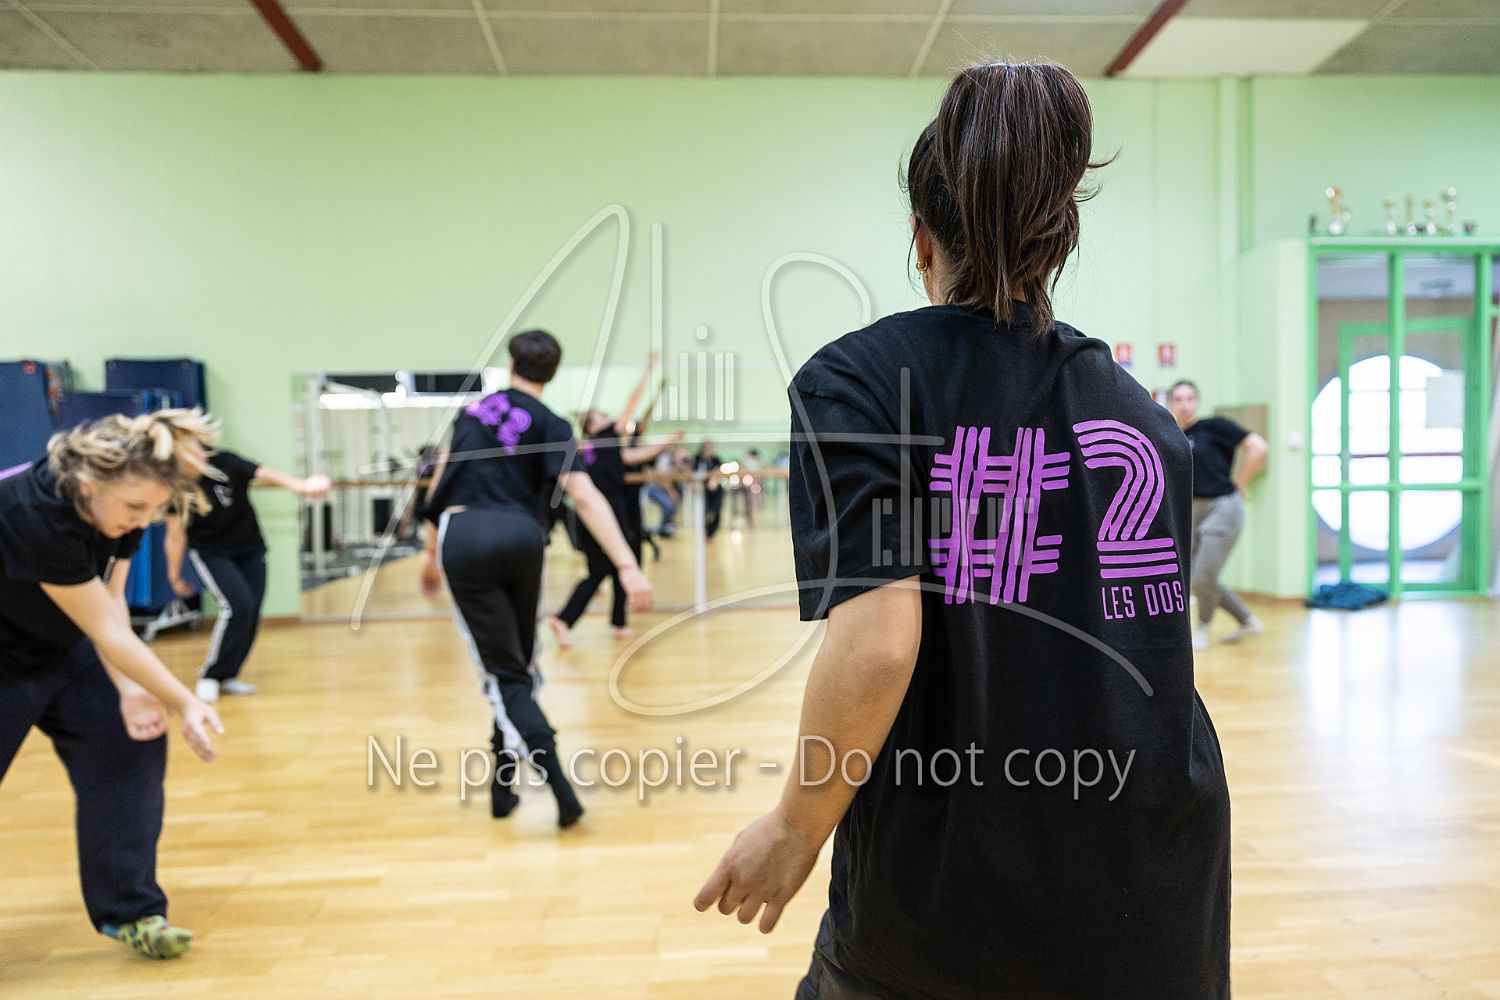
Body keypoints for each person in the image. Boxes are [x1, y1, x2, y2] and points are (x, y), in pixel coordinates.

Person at [695, 61, 1230, 1000]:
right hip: (1156, 885)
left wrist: (794, 828)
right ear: (1059, 235)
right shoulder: (1144, 418)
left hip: (955, 898)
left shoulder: (860, 384)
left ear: (920, 238)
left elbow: (876, 647)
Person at [0, 410, 226, 959]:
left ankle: (131, 913)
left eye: (153, 509)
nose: (143, 520)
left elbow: (113, 604)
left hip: (62, 645)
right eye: (135, 508)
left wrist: (129, 690)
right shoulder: (33, 510)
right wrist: (185, 700)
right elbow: (105, 628)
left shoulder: (118, 512)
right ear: (87, 484)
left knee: (130, 744)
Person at [420, 329, 654, 826]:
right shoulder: (552, 422)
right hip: (523, 537)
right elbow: (584, 495)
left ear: (511, 364)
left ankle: (561, 791)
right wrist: (628, 566)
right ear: (553, 372)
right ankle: (502, 789)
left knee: (504, 674)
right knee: (517, 667)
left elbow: (442, 476)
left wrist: (427, 552)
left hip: (465, 533)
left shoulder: (472, 412)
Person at [165, 451, 329, 703]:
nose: (198, 450)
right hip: (211, 553)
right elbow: (175, 534)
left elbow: (263, 472)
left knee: (251, 611)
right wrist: (174, 575)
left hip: (250, 548)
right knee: (237, 606)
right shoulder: (176, 481)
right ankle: (211, 675)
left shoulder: (224, 461)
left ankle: (228, 675)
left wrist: (301, 486)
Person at [551, 358, 682, 645]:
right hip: (606, 514)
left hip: (595, 517)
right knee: (615, 565)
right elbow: (632, 403)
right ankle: (572, 619)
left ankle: (608, 622)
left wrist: (668, 440)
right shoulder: (606, 438)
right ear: (592, 426)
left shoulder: (600, 450)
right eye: (601, 416)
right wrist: (648, 370)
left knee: (610, 567)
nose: (608, 418)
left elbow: (639, 455)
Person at [1167, 379, 1269, 649]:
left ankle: (1202, 629)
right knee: (1199, 576)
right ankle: (1247, 620)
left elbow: (1259, 447)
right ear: (1170, 403)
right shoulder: (1168, 432)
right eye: (1178, 399)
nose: (1184, 405)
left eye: (1190, 398)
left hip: (1223, 507)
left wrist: (1240, 483)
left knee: (1203, 576)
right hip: (1190, 510)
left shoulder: (1214, 426)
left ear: (1197, 401)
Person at [694, 438, 724, 539]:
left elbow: (719, 472)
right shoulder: (698, 459)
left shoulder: (716, 459)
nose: (709, 449)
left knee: (716, 511)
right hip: (702, 490)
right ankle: (705, 533)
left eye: (710, 447)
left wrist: (714, 480)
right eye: (707, 447)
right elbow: (693, 472)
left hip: (715, 490)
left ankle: (711, 533)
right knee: (703, 512)